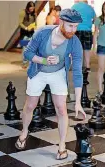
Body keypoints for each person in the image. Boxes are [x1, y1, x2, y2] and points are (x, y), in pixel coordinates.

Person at [15, 9, 86, 160]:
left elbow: (78, 72)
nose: (73, 30)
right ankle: (25, 131)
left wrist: (78, 102)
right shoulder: (43, 33)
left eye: (76, 27)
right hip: (38, 71)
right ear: (61, 22)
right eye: (70, 26)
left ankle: (62, 145)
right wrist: (44, 60)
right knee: (30, 106)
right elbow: (27, 53)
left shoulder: (74, 42)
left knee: (61, 109)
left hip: (58, 74)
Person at [72, 0, 96, 72]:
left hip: (77, 30)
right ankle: (87, 67)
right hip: (87, 31)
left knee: (77, 49)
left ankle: (77, 67)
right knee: (87, 50)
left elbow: (70, 18)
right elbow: (95, 19)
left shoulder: (74, 7)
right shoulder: (90, 8)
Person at [19, 1, 37, 69]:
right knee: (25, 48)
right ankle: (24, 63)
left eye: (33, 8)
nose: (32, 10)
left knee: (32, 48)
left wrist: (34, 27)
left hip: (31, 32)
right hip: (24, 33)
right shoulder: (23, 12)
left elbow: (35, 24)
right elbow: (20, 23)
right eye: (30, 8)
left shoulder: (34, 14)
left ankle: (31, 62)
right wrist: (26, 28)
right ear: (28, 7)